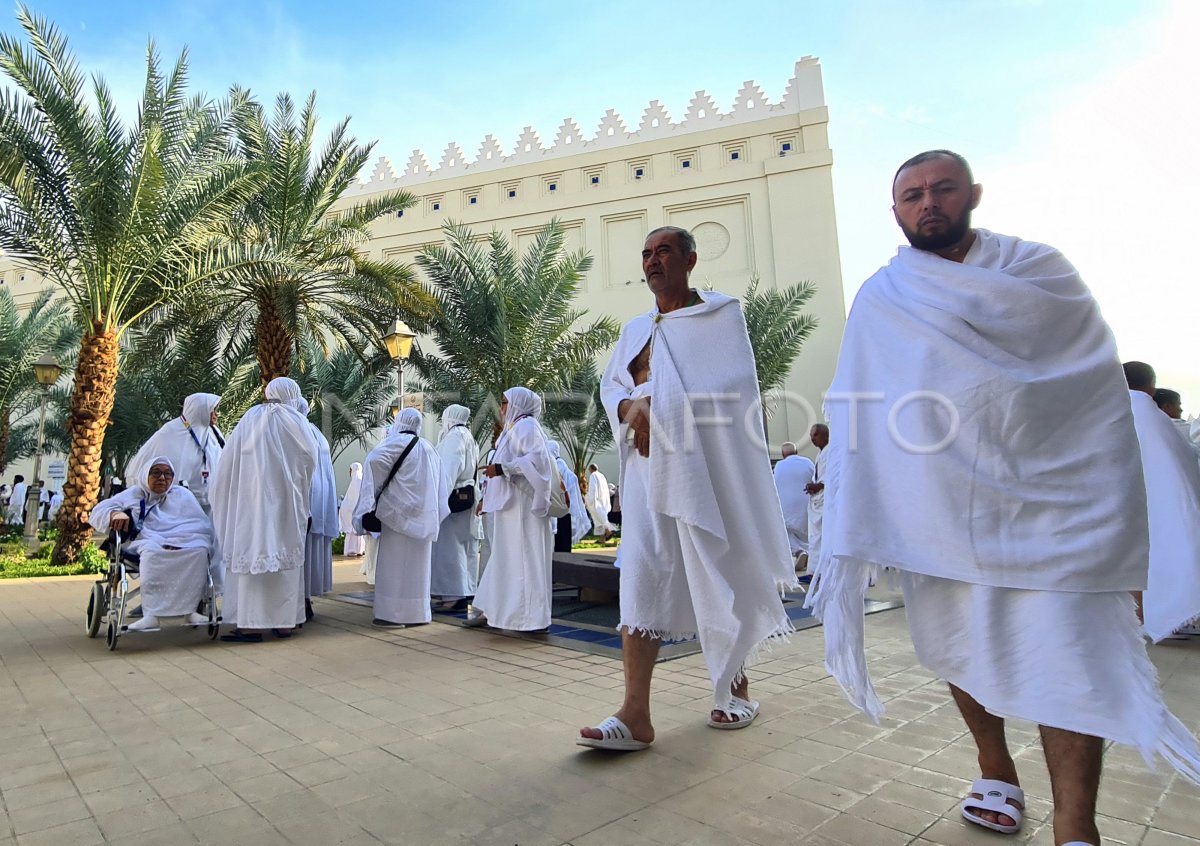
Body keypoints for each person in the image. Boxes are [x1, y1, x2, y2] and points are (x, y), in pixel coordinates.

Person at [807, 150, 1200, 845]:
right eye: (912, 195)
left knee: (1067, 658)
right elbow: (864, 398)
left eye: (943, 189)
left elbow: (1088, 384)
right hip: (936, 511)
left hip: (1050, 508)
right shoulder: (883, 295)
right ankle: (995, 766)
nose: (928, 203)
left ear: (974, 194)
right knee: (958, 644)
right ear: (895, 212)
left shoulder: (1038, 271)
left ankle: (1075, 823)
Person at [580, 225, 795, 752]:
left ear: (690, 260)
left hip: (706, 470)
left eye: (664, 252)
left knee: (720, 564)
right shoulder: (635, 329)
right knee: (643, 573)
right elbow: (611, 387)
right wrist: (632, 408)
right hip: (645, 474)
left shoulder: (720, 318)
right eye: (646, 254)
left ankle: (735, 688)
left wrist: (663, 411)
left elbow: (732, 389)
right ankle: (635, 713)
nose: (653, 261)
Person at [210, 377, 317, 643]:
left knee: (254, 553)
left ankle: (251, 627)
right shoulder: (298, 422)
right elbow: (309, 461)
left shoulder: (251, 418)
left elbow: (228, 463)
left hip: (252, 506)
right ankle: (284, 623)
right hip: (288, 506)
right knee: (286, 558)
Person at [89, 458, 213, 632]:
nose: (162, 478)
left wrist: (178, 542)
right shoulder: (134, 494)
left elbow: (199, 524)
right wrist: (115, 514)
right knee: (153, 553)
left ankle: (190, 611)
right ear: (145, 475)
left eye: (167, 474)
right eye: (156, 473)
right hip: (147, 540)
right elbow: (98, 510)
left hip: (184, 539)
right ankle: (151, 615)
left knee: (200, 550)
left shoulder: (182, 495)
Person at [469, 387, 555, 631]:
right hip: (511, 506)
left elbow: (537, 463)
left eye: (505, 402)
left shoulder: (527, 427)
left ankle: (530, 619)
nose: (501, 408)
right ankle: (498, 612)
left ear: (519, 403)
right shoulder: (514, 428)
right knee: (508, 559)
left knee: (525, 560)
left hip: (523, 508)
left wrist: (502, 469)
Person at [1126, 362, 1200, 640]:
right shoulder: (1150, 414)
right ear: (1151, 387)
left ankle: (1141, 619)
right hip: (1155, 504)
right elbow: (1184, 459)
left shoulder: (1110, 408)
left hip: (1125, 502)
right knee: (1160, 553)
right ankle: (1167, 617)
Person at [353, 408, 447, 627]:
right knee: (417, 570)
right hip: (423, 519)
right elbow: (442, 486)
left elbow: (373, 461)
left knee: (393, 569)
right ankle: (418, 614)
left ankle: (392, 615)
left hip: (395, 518)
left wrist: (370, 502)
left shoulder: (393, 444)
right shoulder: (429, 449)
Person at [126, 393, 224, 516]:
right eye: (212, 410)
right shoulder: (170, 432)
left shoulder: (214, 433)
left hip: (210, 502)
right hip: (178, 505)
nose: (216, 414)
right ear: (200, 410)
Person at [430, 405, 480, 611]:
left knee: (449, 550)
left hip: (452, 501)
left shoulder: (455, 437)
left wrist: (438, 499)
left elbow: (449, 470)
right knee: (462, 548)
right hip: (465, 500)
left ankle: (454, 595)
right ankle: (462, 591)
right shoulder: (468, 436)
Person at [292, 397, 338, 621]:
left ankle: (300, 599)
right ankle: (305, 598)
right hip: (318, 499)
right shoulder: (316, 433)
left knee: (301, 550)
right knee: (310, 551)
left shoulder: (296, 431)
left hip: (303, 499)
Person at [773, 442, 815, 567]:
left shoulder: (779, 466)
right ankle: (809, 554)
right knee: (810, 534)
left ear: (782, 454)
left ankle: (799, 551)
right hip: (806, 506)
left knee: (785, 532)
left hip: (786, 509)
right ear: (797, 452)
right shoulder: (808, 462)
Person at [548, 440, 590, 550]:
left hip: (558, 509)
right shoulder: (565, 469)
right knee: (565, 541)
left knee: (559, 541)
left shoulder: (556, 468)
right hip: (567, 510)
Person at [805, 424, 829, 564]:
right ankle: (815, 568)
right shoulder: (820, 454)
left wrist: (819, 485)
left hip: (827, 500)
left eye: (815, 435)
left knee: (825, 535)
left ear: (825, 435)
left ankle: (823, 567)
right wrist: (812, 486)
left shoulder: (831, 452)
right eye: (811, 436)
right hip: (817, 500)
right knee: (815, 536)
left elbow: (834, 476)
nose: (812, 439)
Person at [339, 463, 367, 556]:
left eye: (350, 470)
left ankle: (352, 550)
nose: (349, 472)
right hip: (359, 514)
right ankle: (359, 550)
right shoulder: (361, 481)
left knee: (352, 533)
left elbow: (351, 501)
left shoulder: (355, 482)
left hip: (352, 513)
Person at [585, 463, 614, 542]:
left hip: (596, 501)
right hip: (603, 501)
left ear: (591, 469)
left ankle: (608, 532)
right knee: (600, 519)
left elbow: (593, 488)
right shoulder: (601, 475)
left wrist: (589, 499)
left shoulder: (593, 475)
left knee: (601, 519)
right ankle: (602, 539)